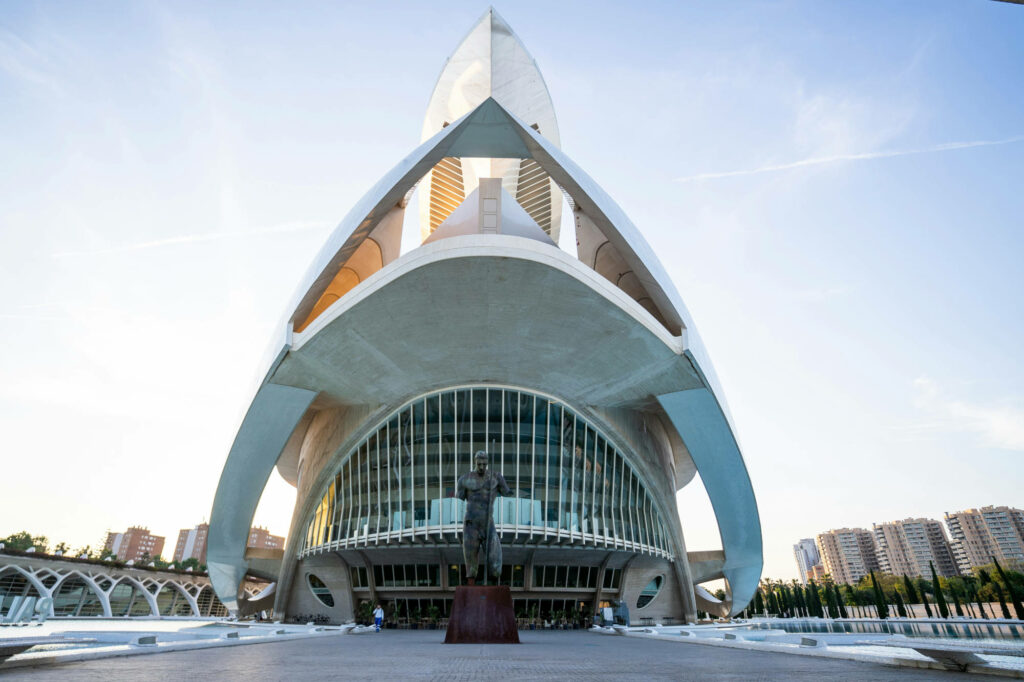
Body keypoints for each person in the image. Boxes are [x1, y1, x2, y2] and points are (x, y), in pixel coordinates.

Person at [456, 451, 511, 583]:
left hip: (488, 523)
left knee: (496, 566)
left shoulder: (496, 477)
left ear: (487, 463)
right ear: (475, 462)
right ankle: (470, 591)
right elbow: (459, 498)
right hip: (471, 524)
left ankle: (496, 588)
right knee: (471, 567)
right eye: (479, 464)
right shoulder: (464, 479)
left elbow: (507, 492)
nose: (481, 467)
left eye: (484, 464)